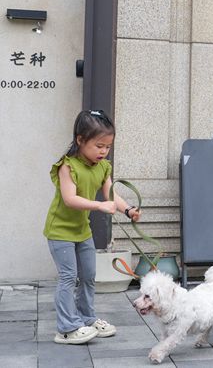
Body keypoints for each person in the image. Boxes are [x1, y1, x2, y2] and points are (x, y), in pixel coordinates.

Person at [44, 110, 141, 344]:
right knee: (68, 277)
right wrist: (99, 206)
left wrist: (128, 210)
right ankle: (66, 328)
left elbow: (111, 195)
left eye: (107, 147)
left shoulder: (103, 167)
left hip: (82, 231)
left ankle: (86, 319)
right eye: (99, 146)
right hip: (60, 232)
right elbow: (70, 199)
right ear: (80, 139)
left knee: (88, 276)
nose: (103, 151)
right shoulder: (67, 166)